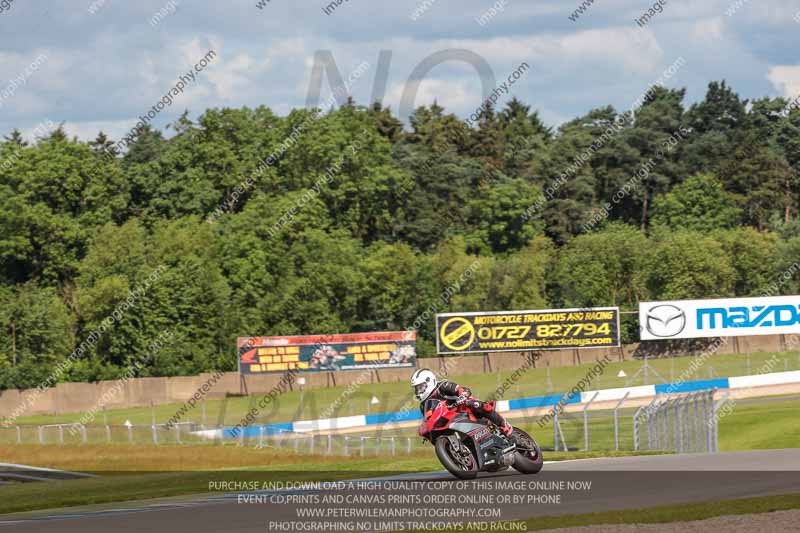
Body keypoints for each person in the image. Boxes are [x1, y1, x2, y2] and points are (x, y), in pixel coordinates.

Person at [411, 368, 513, 436]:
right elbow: (428, 420)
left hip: (463, 409)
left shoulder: (443, 386)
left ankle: (503, 424)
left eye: (420, 387)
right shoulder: (423, 405)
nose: (418, 391)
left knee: (475, 404)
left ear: (429, 381)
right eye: (416, 388)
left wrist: (462, 396)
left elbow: (461, 389)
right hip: (448, 422)